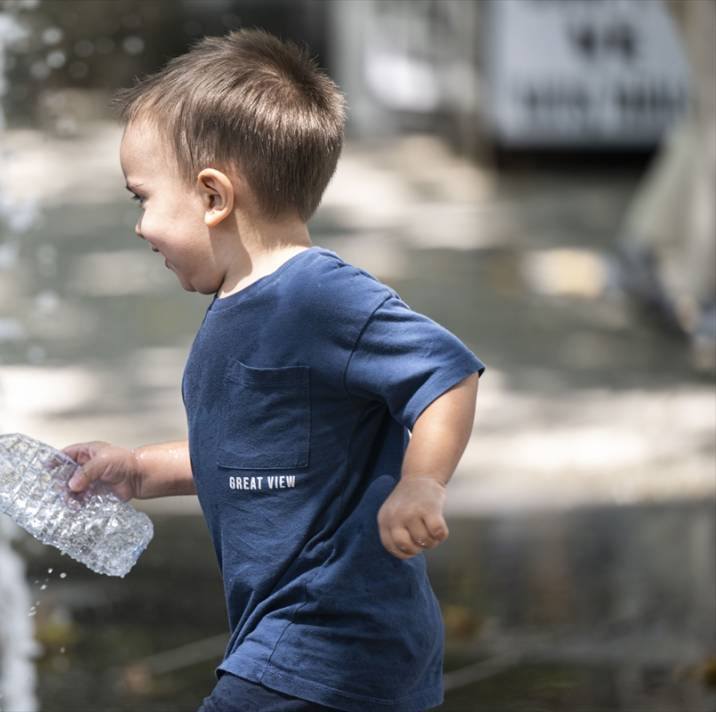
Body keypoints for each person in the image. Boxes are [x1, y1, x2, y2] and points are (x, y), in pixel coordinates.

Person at [63, 28, 483, 712]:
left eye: (142, 198)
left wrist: (422, 484)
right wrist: (139, 470)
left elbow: (447, 375)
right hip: (321, 651)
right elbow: (260, 452)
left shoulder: (319, 295)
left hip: (327, 642)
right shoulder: (242, 305)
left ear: (212, 197)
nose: (139, 227)